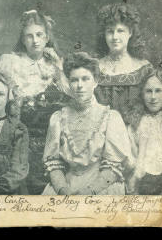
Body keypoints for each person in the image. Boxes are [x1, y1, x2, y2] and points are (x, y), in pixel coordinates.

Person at [0, 9, 71, 194]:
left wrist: (60, 69)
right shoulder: (11, 62)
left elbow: (71, 96)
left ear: (47, 38)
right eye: (29, 36)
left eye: (39, 35)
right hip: (21, 134)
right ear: (22, 39)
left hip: (49, 137)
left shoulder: (55, 64)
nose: (35, 41)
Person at [42, 52, 133, 195]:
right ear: (69, 83)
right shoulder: (58, 118)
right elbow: (53, 164)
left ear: (95, 81)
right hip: (67, 185)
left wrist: (89, 192)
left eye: (85, 79)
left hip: (101, 185)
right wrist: (62, 189)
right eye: (74, 80)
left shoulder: (110, 118)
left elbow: (114, 167)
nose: (79, 86)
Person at [125, 70, 162, 195]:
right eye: (148, 91)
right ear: (142, 94)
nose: (153, 97)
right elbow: (132, 160)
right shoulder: (135, 123)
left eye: (158, 91)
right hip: (143, 184)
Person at [94, 1, 154, 123]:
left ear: (130, 33)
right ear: (104, 34)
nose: (115, 37)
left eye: (120, 31)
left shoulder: (144, 68)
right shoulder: (94, 67)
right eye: (110, 31)